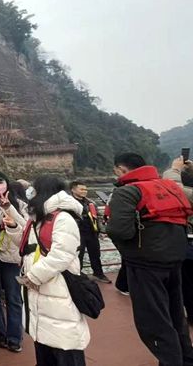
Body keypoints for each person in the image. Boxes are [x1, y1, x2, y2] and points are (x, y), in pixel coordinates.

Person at [107, 152, 193, 365]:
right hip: (175, 259)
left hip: (145, 264)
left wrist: (128, 252)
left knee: (153, 321)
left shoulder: (127, 192)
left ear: (121, 169)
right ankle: (186, 359)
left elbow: (120, 231)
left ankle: (171, 361)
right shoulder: (169, 186)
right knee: (175, 315)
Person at [7, 176, 90, 365]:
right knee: (45, 345)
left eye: (34, 190)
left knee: (65, 345)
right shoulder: (40, 218)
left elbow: (62, 255)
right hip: (40, 291)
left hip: (57, 288)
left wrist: (33, 276)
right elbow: (28, 246)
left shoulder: (63, 218)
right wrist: (12, 227)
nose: (30, 194)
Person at [0, 172, 27, 353]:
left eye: (0, 182)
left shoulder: (20, 204)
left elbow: (26, 227)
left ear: (7, 183)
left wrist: (9, 207)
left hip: (11, 256)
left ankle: (14, 337)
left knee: (13, 297)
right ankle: (1, 333)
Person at [164, 156, 193, 323]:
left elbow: (173, 187)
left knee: (187, 284)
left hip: (187, 247)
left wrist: (174, 169)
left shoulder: (187, 195)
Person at [68, 181, 110, 283]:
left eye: (86, 189)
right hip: (77, 234)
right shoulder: (68, 203)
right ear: (73, 190)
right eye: (81, 189)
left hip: (91, 232)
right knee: (78, 256)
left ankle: (98, 274)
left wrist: (101, 231)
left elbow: (98, 217)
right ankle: (78, 276)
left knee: (95, 254)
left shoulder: (90, 203)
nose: (85, 191)